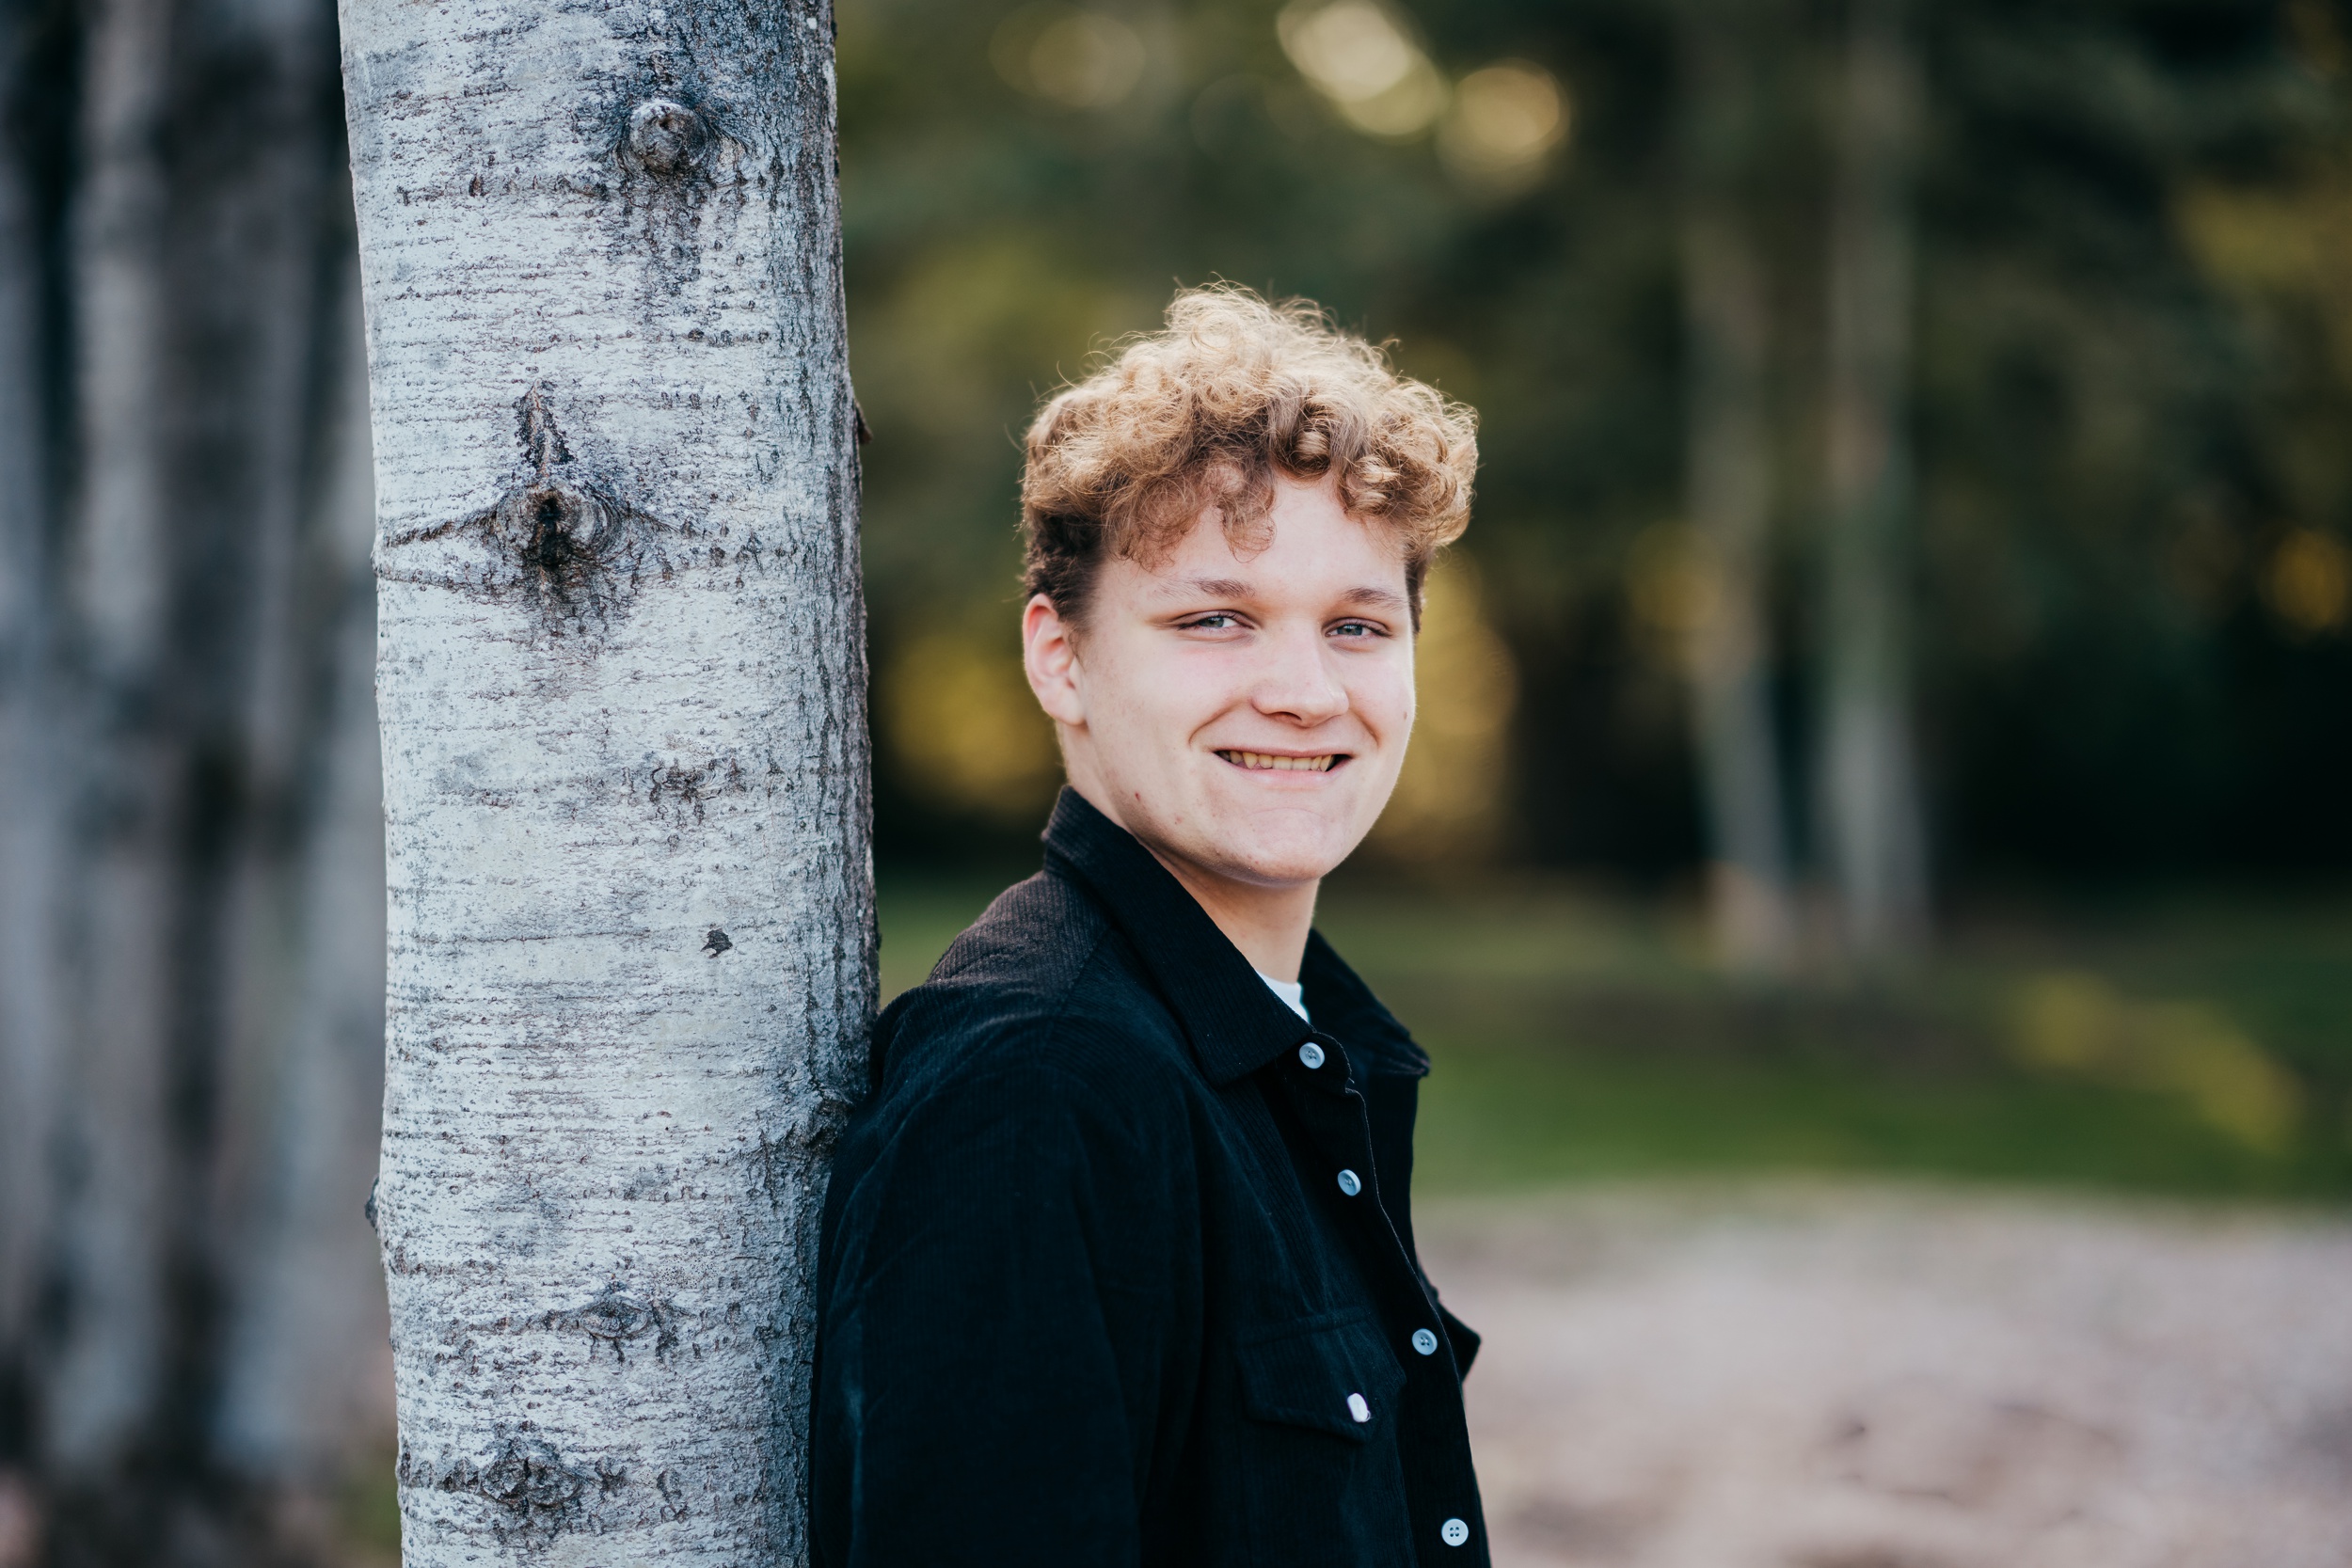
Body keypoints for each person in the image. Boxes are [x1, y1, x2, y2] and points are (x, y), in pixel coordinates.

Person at [811, 286, 1487, 1567]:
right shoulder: (1039, 1093)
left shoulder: (1286, 1045)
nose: (1300, 692)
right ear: (1060, 658)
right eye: (1213, 620)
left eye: (1356, 626)